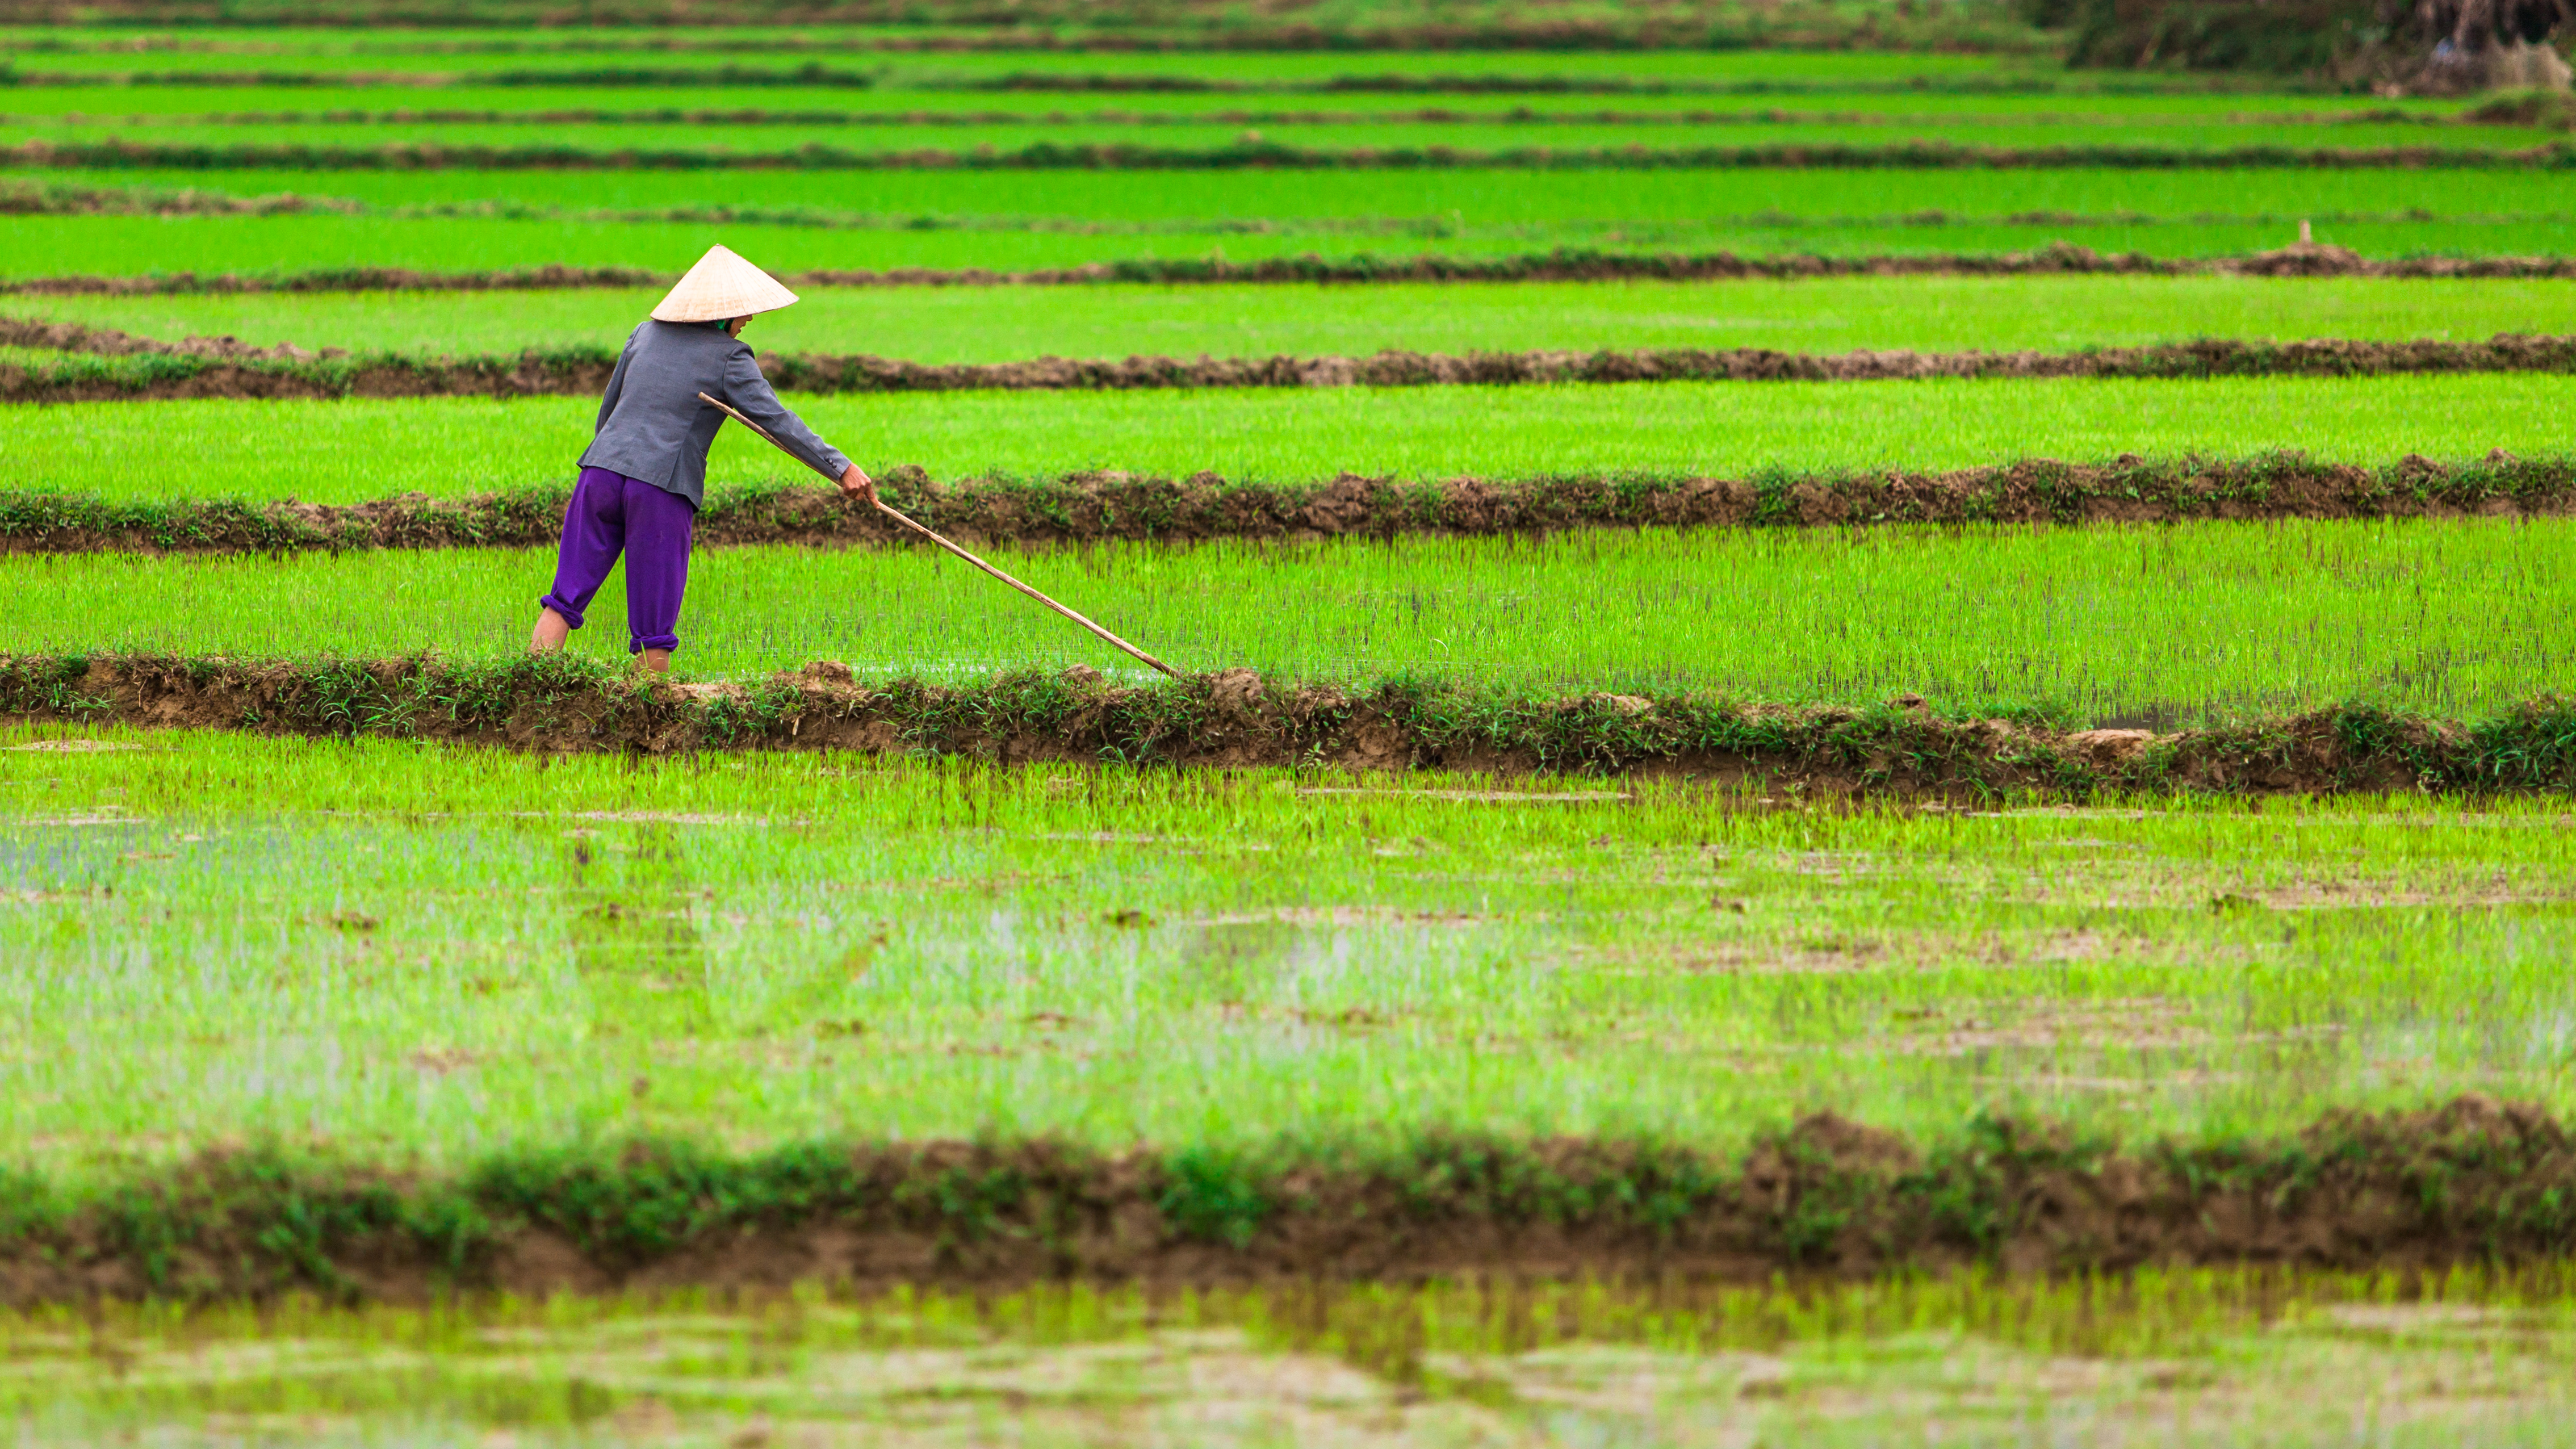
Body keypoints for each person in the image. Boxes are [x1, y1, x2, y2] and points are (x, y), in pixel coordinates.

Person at [529, 244, 873, 673]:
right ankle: (652, 714)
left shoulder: (643, 333)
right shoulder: (730, 357)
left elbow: (609, 410)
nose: (749, 320)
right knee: (654, 622)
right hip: (659, 488)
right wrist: (841, 468)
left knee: (564, 596)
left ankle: (531, 689)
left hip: (600, 473)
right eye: (744, 312)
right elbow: (779, 423)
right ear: (722, 312)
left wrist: (613, 458)